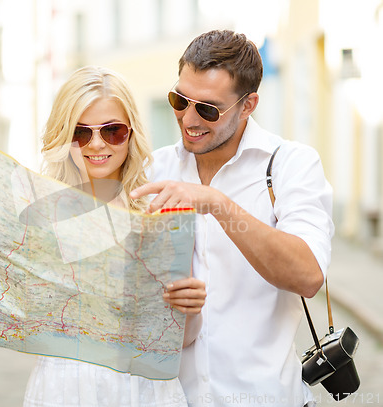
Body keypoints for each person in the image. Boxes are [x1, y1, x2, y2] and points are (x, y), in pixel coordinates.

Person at [0, 65, 206, 407]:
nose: (96, 144)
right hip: (64, 390)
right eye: (80, 132)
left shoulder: (158, 215)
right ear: (64, 135)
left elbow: (182, 339)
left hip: (142, 391)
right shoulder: (35, 215)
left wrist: (191, 310)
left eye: (113, 131)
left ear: (131, 133)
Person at [130, 30, 334, 407]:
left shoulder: (291, 165)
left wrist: (217, 203)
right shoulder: (154, 169)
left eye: (207, 108)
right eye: (179, 100)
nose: (188, 118)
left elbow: (307, 277)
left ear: (248, 104)